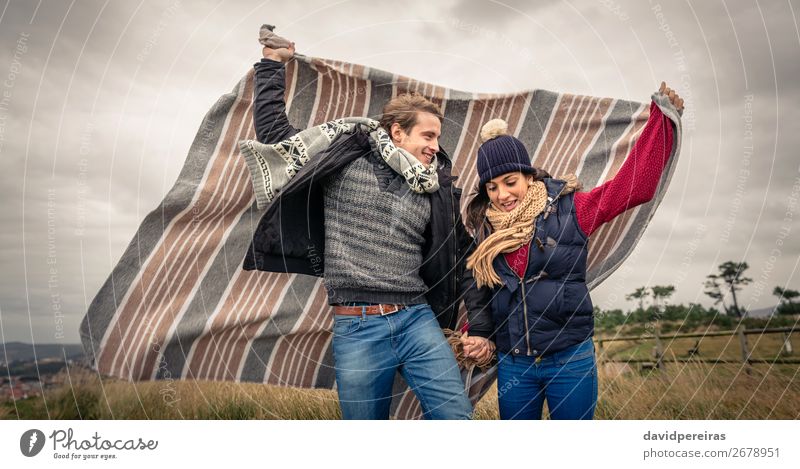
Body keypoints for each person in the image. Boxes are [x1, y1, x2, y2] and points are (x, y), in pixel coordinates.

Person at [240, 35, 484, 419]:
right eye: (429, 135)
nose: (436, 146)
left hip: (416, 319)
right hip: (357, 327)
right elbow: (276, 135)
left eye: (438, 137)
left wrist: (481, 326)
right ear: (398, 133)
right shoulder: (345, 161)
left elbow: (463, 258)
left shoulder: (436, 189)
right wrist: (272, 63)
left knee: (456, 418)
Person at [460, 83, 684, 419]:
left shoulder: (570, 209)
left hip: (569, 358)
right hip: (515, 364)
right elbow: (482, 292)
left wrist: (662, 120)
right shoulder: (485, 230)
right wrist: (478, 334)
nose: (502, 195)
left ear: (527, 175)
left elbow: (635, 186)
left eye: (509, 182)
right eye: (491, 187)